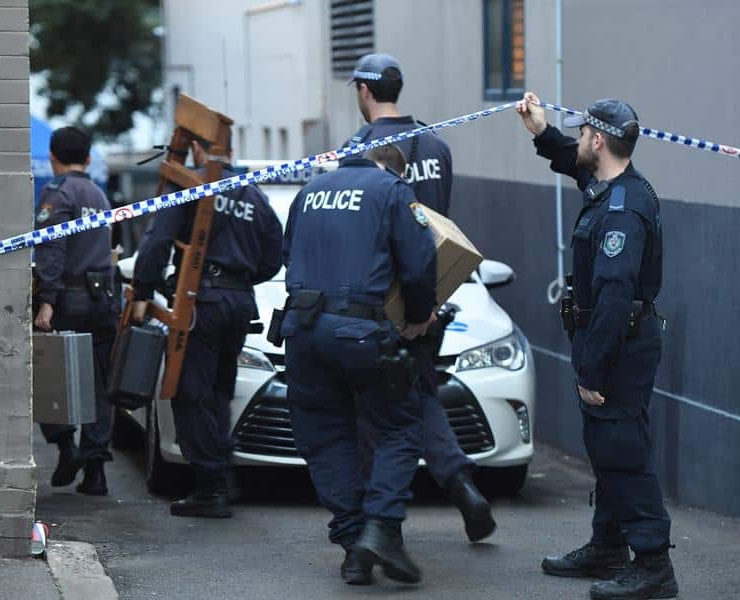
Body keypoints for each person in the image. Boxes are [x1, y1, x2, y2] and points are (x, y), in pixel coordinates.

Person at [517, 92, 677, 600]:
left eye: (584, 132)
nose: (579, 139)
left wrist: (592, 371)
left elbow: (613, 297)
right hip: (611, 340)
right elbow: (571, 160)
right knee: (608, 448)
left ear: (600, 139)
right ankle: (608, 546)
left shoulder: (623, 211)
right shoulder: (607, 186)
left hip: (618, 345)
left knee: (622, 451)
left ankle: (653, 565)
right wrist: (541, 131)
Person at [347, 52, 496, 543]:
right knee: (421, 394)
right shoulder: (437, 144)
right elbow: (441, 229)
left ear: (365, 92)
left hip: (375, 301)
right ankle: (459, 481)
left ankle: (380, 529)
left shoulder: (355, 150)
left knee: (373, 414)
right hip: (427, 297)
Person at [281, 144, 436, 586]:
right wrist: (418, 316)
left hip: (303, 332)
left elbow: (286, 254)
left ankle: (354, 549)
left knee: (325, 435)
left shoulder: (309, 191)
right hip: (361, 330)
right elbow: (420, 263)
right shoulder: (391, 190)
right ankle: (382, 528)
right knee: (399, 425)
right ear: (388, 162)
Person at [132, 133, 283, 518]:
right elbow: (273, 258)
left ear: (198, 147)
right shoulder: (253, 194)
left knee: (188, 391)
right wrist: (238, 277)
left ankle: (211, 483)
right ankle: (219, 468)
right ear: (230, 148)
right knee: (218, 390)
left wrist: (144, 291)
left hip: (202, 302)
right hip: (237, 303)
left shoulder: (189, 183)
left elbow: (157, 242)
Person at [34, 126, 117, 496]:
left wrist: (47, 301)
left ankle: (67, 447)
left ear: (53, 157)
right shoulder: (99, 194)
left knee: (50, 375)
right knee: (99, 383)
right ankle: (95, 471)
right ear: (87, 157)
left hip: (68, 299)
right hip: (102, 301)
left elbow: (52, 249)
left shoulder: (58, 192)